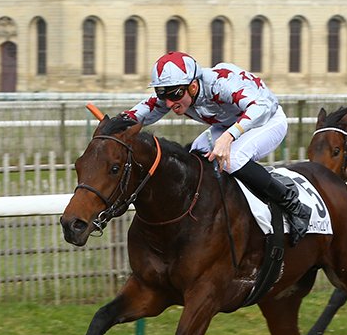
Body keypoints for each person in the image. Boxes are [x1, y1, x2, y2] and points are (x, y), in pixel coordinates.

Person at [121, 51, 311, 245]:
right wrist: (116, 124)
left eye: (174, 95)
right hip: (231, 123)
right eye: (163, 95)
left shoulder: (221, 83)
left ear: (193, 87)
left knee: (233, 158)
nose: (169, 102)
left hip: (267, 119)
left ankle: (294, 206)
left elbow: (262, 106)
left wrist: (230, 135)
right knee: (194, 156)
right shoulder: (177, 92)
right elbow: (140, 113)